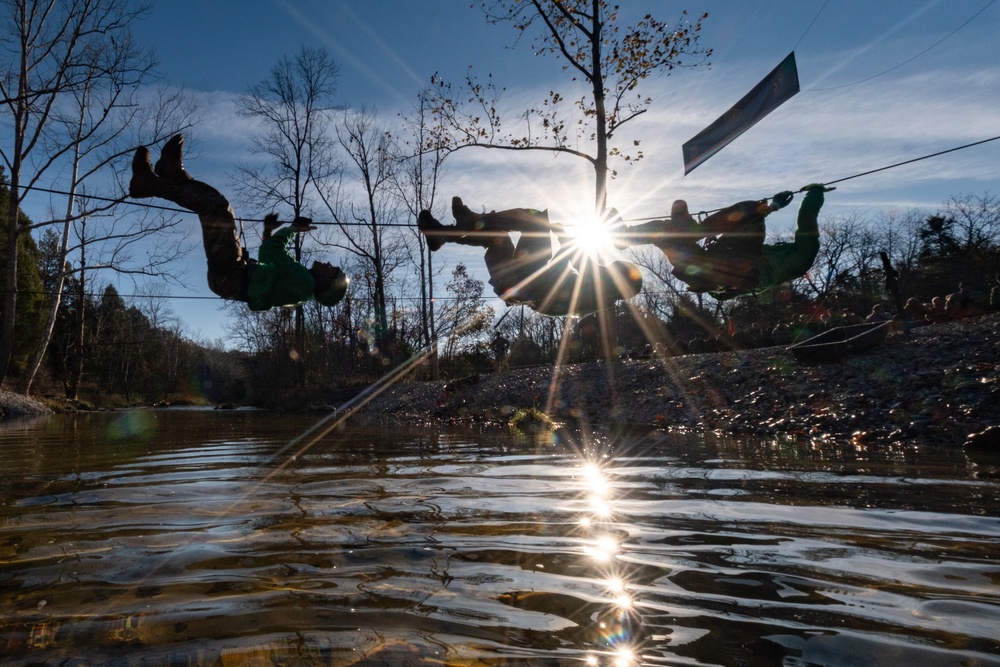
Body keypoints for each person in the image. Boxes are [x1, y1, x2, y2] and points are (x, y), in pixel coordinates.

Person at [128, 135, 348, 311]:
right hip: (230, 280)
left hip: (233, 276)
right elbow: (268, 258)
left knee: (218, 210)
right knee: (216, 210)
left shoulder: (304, 283)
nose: (329, 265)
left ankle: (149, 183)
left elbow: (273, 252)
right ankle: (173, 175)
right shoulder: (300, 288)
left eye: (333, 271)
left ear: (326, 285)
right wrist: (268, 233)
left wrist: (293, 229)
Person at [417, 197, 643, 317]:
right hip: (512, 286)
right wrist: (565, 240)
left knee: (535, 218)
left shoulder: (601, 291)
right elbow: (578, 262)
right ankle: (443, 236)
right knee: (498, 238)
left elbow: (566, 266)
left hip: (528, 282)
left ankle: (470, 221)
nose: (608, 266)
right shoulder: (603, 292)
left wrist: (562, 236)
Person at [615, 184, 832, 299]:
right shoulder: (777, 258)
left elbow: (807, 224)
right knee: (663, 232)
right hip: (708, 266)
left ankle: (691, 231)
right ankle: (625, 236)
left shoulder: (803, 257)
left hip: (739, 271)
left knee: (750, 211)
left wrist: (815, 194)